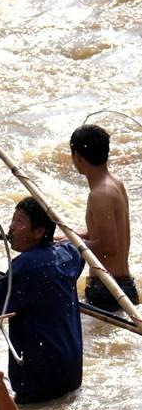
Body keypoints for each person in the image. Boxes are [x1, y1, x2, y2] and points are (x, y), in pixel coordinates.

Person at [0, 197, 84, 404]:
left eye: (19, 222)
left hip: (40, 380)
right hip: (70, 373)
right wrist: (49, 244)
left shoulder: (27, 266)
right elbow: (76, 249)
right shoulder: (69, 255)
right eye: (12, 220)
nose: (11, 227)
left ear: (38, 232)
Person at [69, 123, 139, 311]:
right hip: (119, 286)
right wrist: (68, 237)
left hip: (108, 290)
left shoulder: (100, 194)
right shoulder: (115, 183)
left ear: (77, 157)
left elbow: (109, 246)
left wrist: (70, 245)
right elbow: (101, 235)